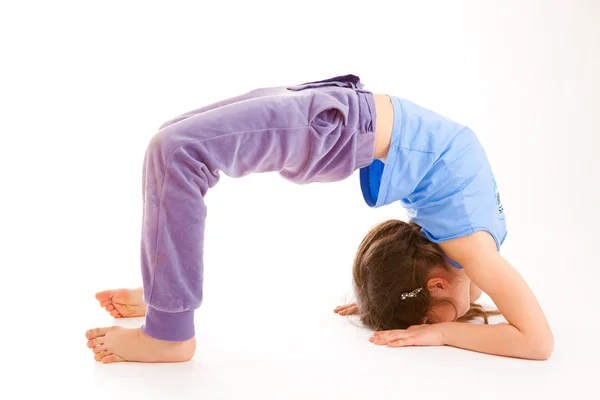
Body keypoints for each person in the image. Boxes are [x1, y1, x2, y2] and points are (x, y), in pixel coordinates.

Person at [85, 75, 553, 363]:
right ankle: (167, 304)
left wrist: (388, 301)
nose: (458, 313)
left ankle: (169, 326)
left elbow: (472, 297)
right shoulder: (474, 250)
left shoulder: (470, 247)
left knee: (175, 149)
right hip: (338, 120)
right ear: (433, 285)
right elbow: (536, 342)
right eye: (428, 316)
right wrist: (439, 330)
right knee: (173, 143)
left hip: (340, 115)